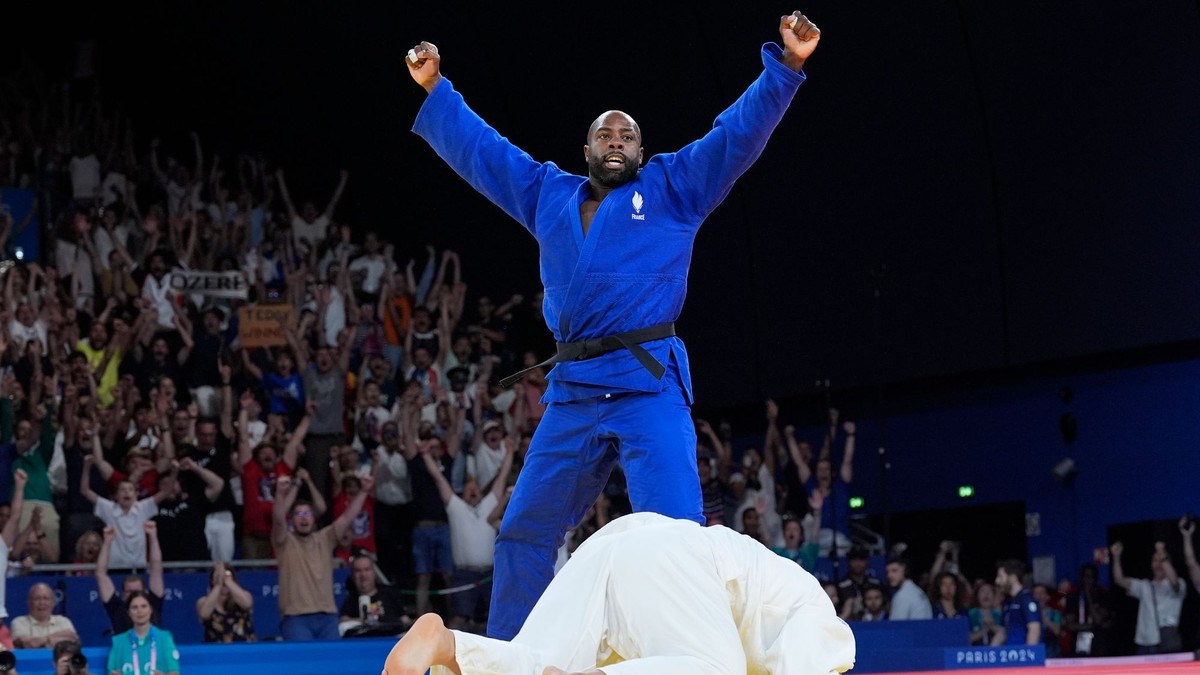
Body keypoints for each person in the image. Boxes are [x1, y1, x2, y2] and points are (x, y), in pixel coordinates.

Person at [406, 9, 821, 641]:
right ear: (587, 150)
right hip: (573, 390)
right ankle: (513, 654)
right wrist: (438, 89)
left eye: (626, 135)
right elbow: (486, 155)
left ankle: (690, 653)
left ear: (641, 150)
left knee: (676, 536)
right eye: (605, 136)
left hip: (647, 382)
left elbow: (735, 136)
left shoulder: (674, 188)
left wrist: (787, 66)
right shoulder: (550, 194)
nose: (617, 142)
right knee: (523, 531)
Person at [382, 512, 854, 674]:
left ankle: (447, 644)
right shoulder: (825, 627)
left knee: (534, 662)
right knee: (715, 669)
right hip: (674, 558)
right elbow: (800, 660)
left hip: (613, 552)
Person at [273, 471, 374, 641]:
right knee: (303, 665)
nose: (304, 518)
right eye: (298, 514)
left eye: (308, 514)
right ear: (292, 520)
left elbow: (348, 517)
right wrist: (280, 495)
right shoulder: (284, 541)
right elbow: (277, 519)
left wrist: (364, 491)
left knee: (333, 666)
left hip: (328, 617)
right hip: (296, 618)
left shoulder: (325, 538)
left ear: (314, 518)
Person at [1110, 540, 1186, 654]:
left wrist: (1161, 551)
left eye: (1162, 560)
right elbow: (1119, 580)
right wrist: (1116, 557)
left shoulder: (1179, 584)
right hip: (1144, 643)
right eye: (1155, 560)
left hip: (1166, 643)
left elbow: (1174, 582)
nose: (1158, 564)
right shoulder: (1145, 586)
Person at [95, 523, 165, 635]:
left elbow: (156, 568)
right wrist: (107, 542)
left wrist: (152, 536)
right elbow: (100, 574)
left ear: (145, 591)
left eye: (138, 591)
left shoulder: (153, 603)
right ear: (123, 594)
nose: (134, 595)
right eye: (130, 592)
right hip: (124, 650)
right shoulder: (116, 608)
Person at [106, 591, 180, 675]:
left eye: (144, 606)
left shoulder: (165, 638)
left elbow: (175, 672)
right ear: (129, 612)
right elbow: (110, 672)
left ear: (151, 609)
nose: (139, 611)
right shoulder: (118, 641)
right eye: (134, 607)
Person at [339, 555, 411, 637]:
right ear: (352, 576)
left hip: (393, 639)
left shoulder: (390, 593)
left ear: (374, 573)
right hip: (365, 641)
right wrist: (363, 621)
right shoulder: (350, 599)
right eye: (358, 571)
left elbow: (405, 620)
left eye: (367, 569)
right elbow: (343, 622)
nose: (363, 575)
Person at [196, 562, 256, 643]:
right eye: (218, 576)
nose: (223, 578)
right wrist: (218, 584)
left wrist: (228, 581)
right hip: (216, 651)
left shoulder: (245, 595)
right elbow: (204, 614)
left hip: (243, 649)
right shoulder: (203, 601)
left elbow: (247, 604)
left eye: (227, 574)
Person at [10, 583, 79, 649]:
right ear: (29, 603)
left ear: (53, 603)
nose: (42, 603)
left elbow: (73, 639)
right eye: (37, 599)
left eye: (46, 599)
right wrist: (56, 639)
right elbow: (29, 644)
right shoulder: (19, 622)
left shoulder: (63, 621)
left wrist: (43, 640)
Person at [992, 559, 1040, 647]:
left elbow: (1034, 629)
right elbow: (1003, 631)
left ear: (1013, 578)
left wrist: (1029, 657)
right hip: (1011, 656)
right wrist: (988, 653)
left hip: (1024, 656)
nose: (997, 581)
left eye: (1000, 576)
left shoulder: (1027, 599)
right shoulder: (1007, 602)